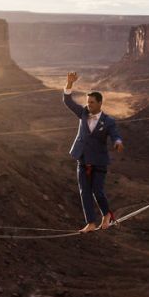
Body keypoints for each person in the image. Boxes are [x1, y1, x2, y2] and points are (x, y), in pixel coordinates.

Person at [63, 71, 124, 233]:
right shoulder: (83, 113)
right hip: (82, 158)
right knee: (84, 192)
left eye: (91, 103)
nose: (88, 105)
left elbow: (115, 135)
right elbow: (67, 101)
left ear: (99, 104)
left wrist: (118, 143)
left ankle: (106, 214)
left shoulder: (108, 121)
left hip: (99, 161)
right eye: (87, 102)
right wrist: (69, 84)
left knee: (97, 191)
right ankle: (90, 222)